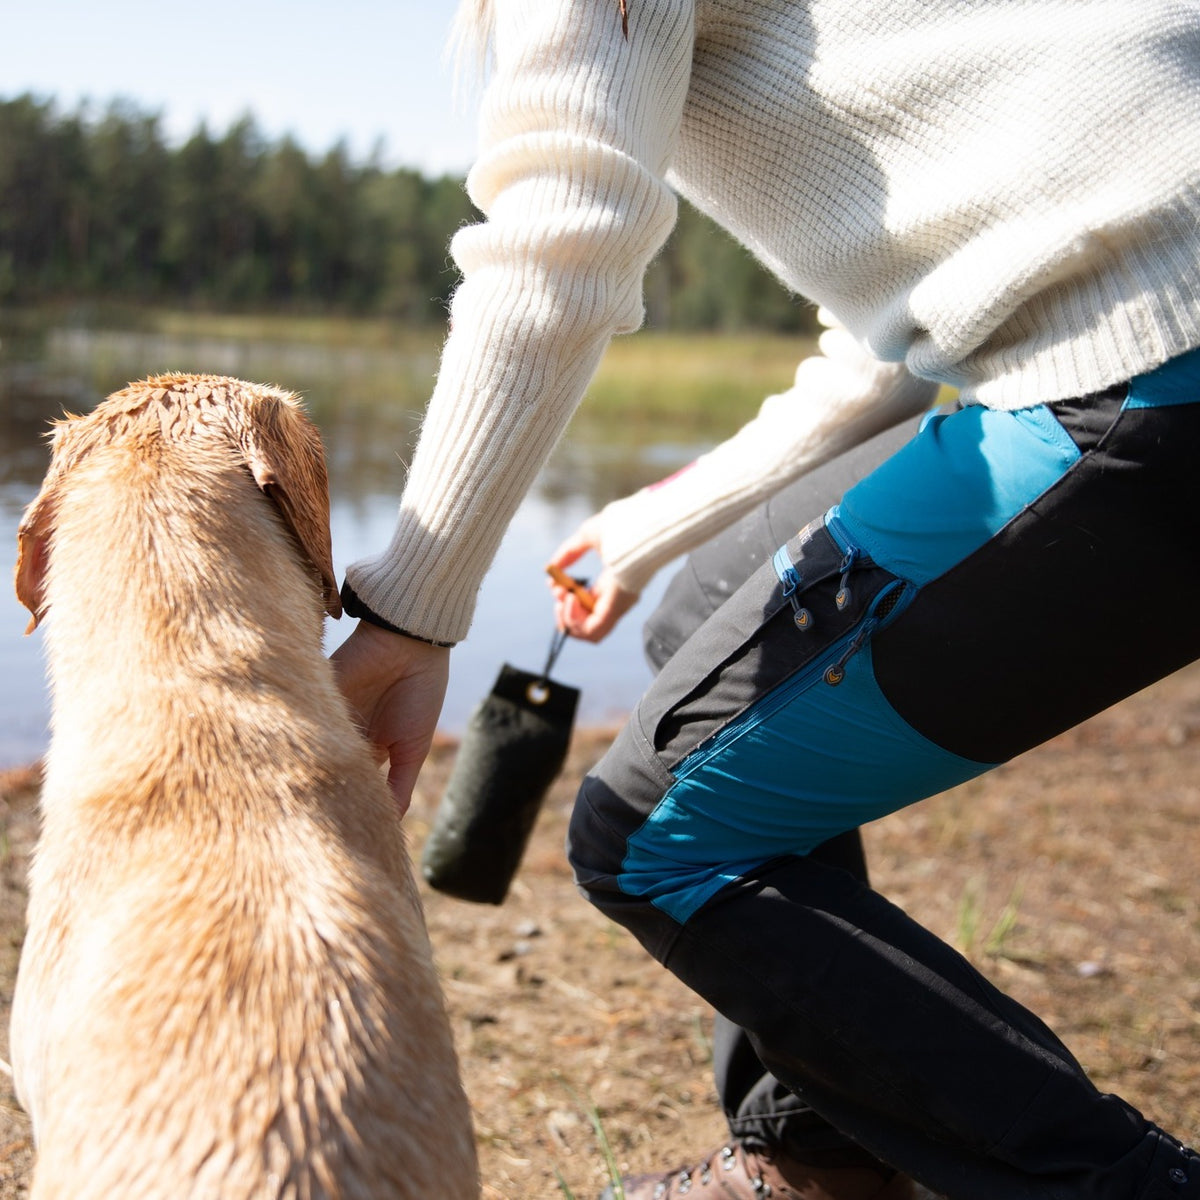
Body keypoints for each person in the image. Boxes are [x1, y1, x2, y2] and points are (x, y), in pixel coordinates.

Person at [330, 1, 1200, 1198]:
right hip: (1137, 349)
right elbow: (897, 347)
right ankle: (820, 1151)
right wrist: (649, 526)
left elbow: (561, 235)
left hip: (1151, 381)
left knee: (653, 837)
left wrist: (412, 611)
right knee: (705, 612)